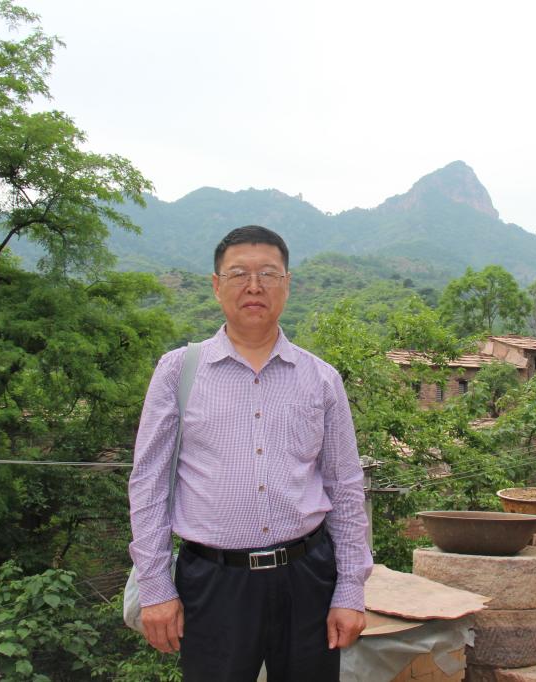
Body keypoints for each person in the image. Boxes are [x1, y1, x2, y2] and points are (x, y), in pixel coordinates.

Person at [128, 225, 372, 681]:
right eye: (239, 273)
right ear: (216, 285)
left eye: (268, 274)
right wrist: (156, 586)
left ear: (287, 284)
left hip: (307, 577)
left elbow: (344, 487)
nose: (254, 286)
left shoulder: (321, 379)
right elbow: (149, 484)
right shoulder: (178, 371)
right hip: (214, 581)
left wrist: (349, 591)